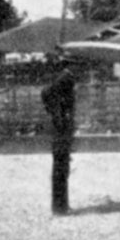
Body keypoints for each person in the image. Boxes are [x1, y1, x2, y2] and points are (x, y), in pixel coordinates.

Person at [42, 61, 77, 215]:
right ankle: (60, 206)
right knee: (61, 168)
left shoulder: (63, 79)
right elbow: (47, 93)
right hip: (61, 129)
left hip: (60, 128)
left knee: (61, 167)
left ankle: (61, 205)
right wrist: (58, 115)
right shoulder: (66, 78)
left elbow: (46, 93)